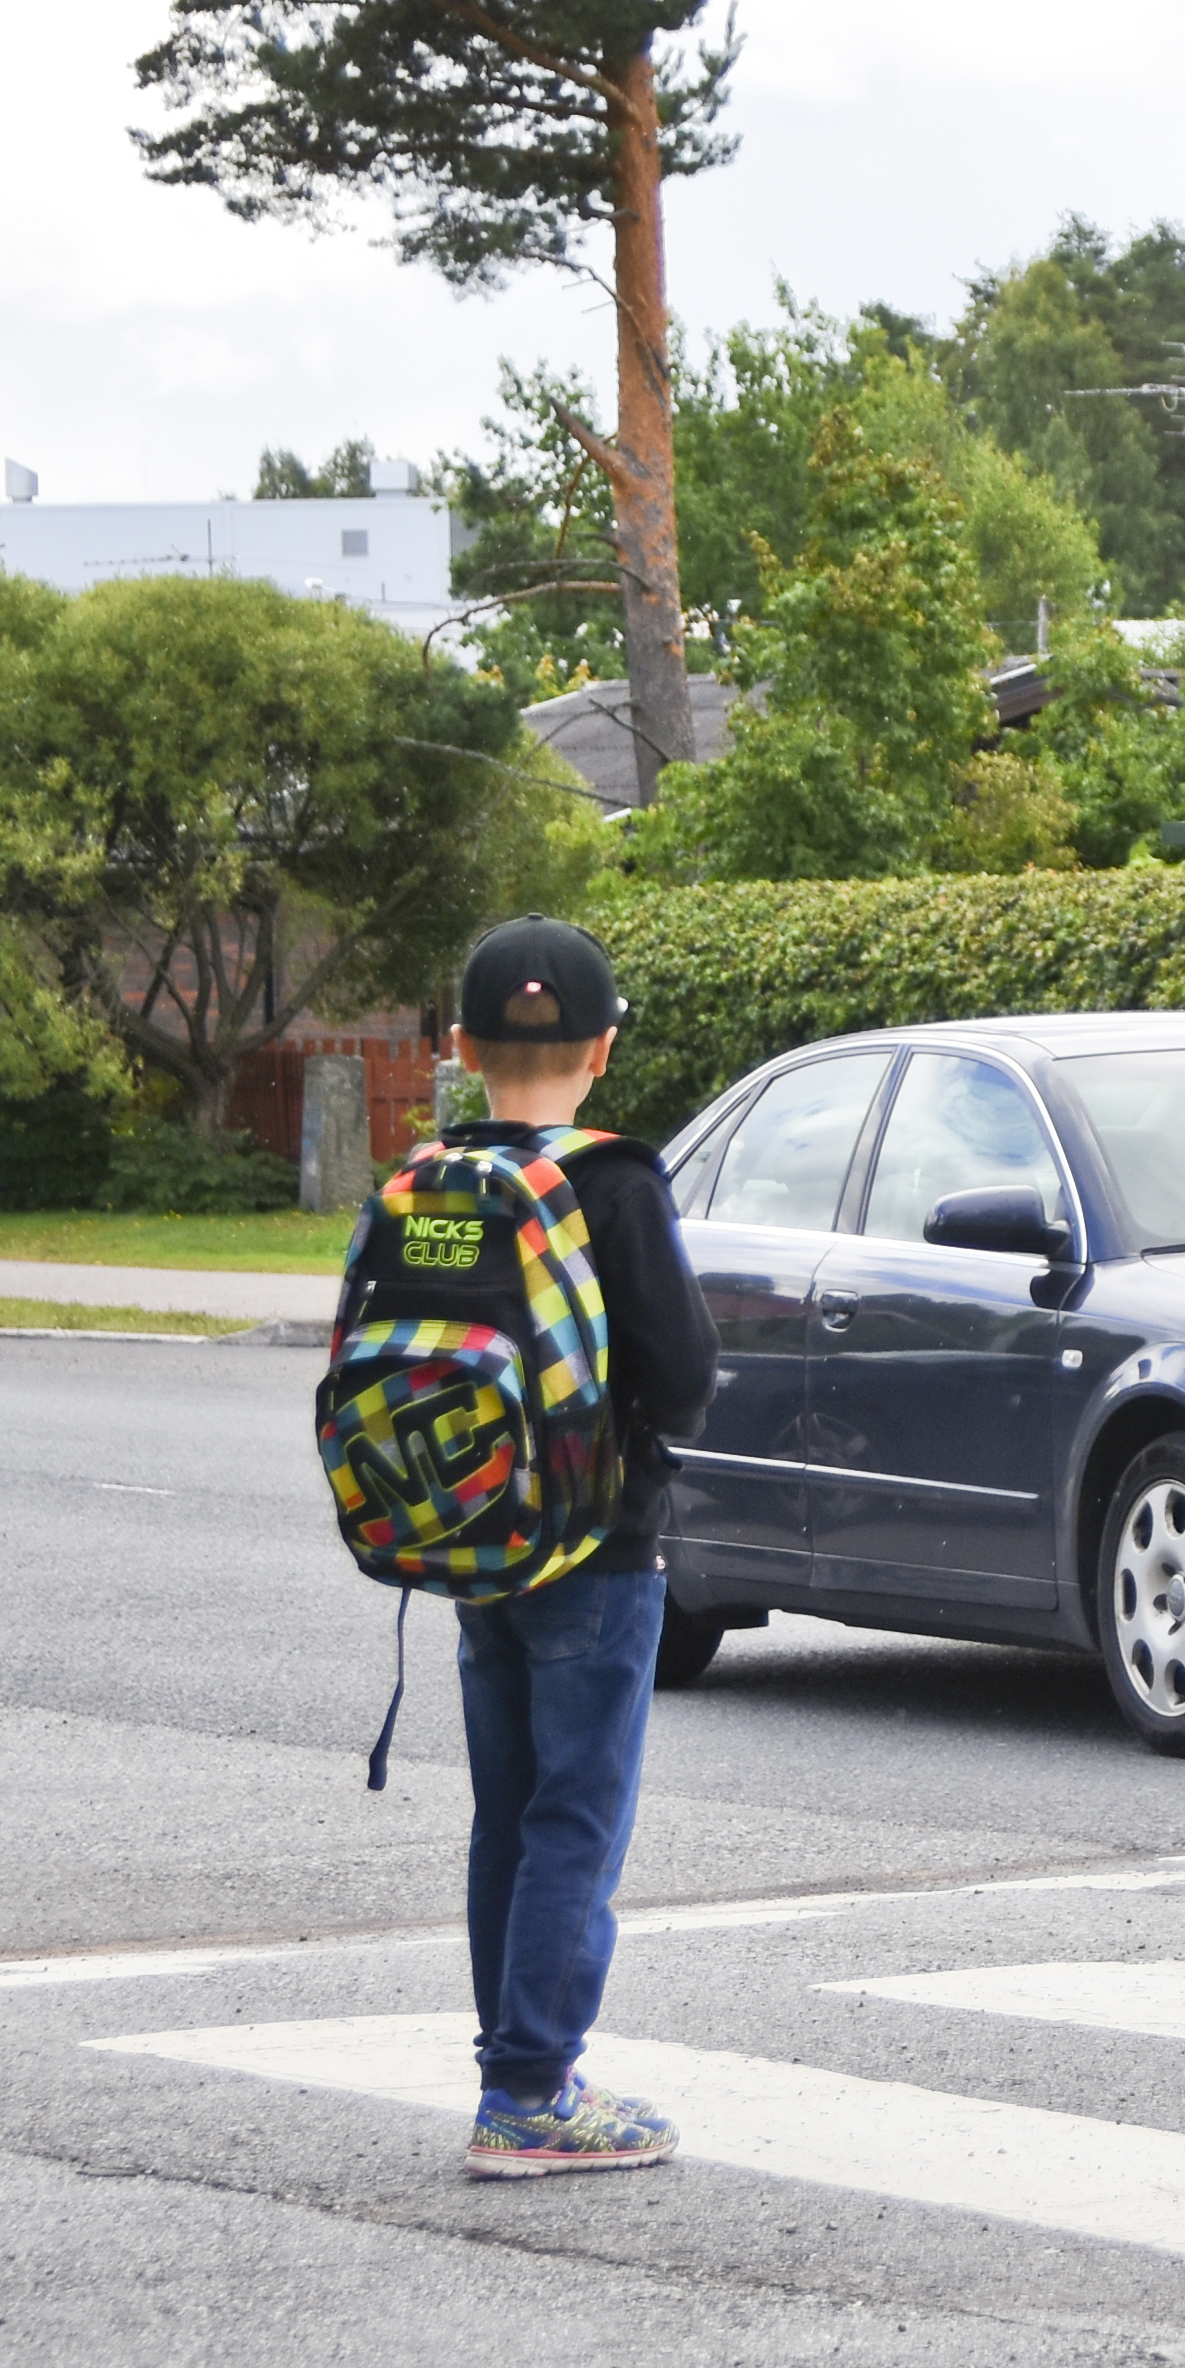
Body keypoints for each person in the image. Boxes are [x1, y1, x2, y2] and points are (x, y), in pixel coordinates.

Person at [419, 918, 715, 2180]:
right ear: (602, 1048)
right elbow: (686, 1374)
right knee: (578, 1816)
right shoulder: (617, 1181)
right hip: (597, 1549)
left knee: (510, 1813)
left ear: (459, 1047)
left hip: (473, 1544)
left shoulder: (433, 1180)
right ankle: (533, 2092)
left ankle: (514, 2059)